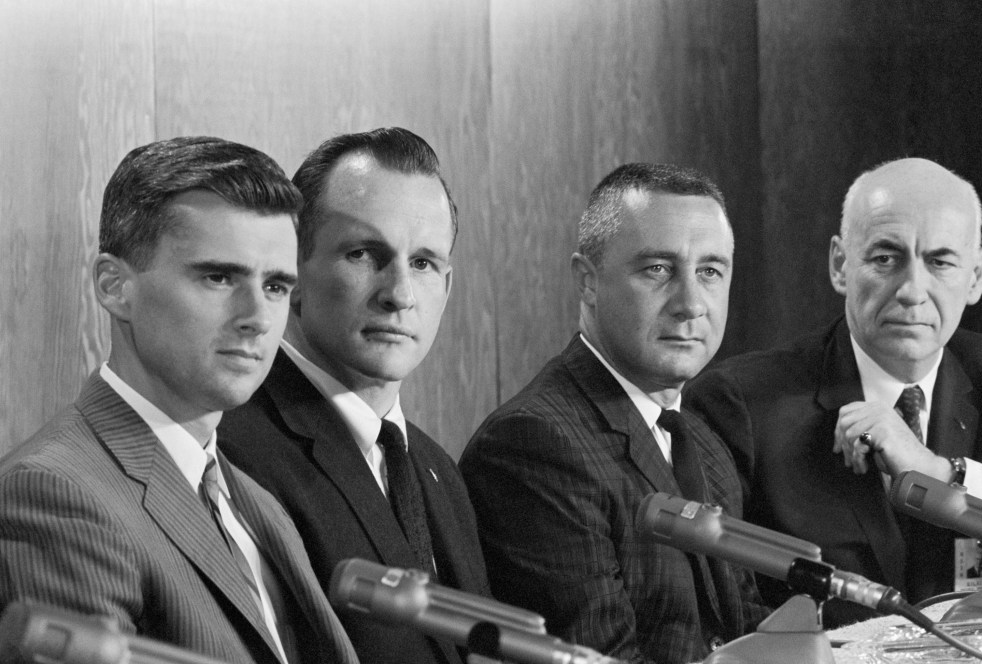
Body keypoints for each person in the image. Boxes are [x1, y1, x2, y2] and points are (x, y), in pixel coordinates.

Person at [0, 137, 357, 664]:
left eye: (278, 287)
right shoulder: (52, 492)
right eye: (219, 276)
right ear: (114, 286)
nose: (258, 317)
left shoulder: (258, 502)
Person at [684, 157, 982, 626]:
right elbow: (727, 610)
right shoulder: (739, 404)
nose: (912, 291)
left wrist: (944, 475)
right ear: (841, 265)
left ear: (977, 275)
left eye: (940, 261)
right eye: (886, 259)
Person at [459, 163, 767, 664]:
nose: (692, 303)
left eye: (710, 271)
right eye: (658, 270)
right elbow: (600, 656)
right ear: (587, 281)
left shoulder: (702, 438)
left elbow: (745, 628)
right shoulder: (532, 445)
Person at [218, 127, 489, 664]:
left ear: (447, 287)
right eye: (366, 254)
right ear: (293, 270)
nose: (400, 295)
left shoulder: (439, 471)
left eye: (424, 263)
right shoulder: (233, 451)